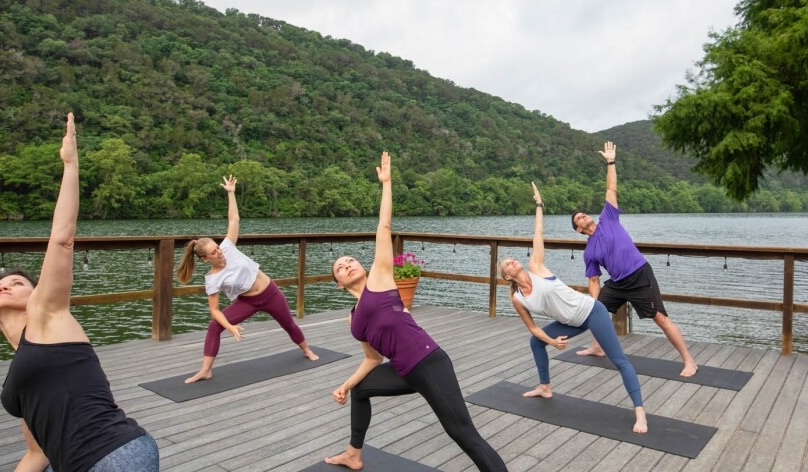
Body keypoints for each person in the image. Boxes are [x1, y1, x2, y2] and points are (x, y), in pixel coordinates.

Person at [0, 113, 159, 471]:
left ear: (38, 295)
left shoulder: (47, 316)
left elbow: (62, 238)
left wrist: (70, 165)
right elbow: (37, 454)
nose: (5, 285)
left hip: (114, 455)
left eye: (18, 282)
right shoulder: (17, 376)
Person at [323, 152, 507, 472]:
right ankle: (354, 453)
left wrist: (387, 184)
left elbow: (384, 225)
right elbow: (372, 359)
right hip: (404, 371)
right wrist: (346, 384)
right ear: (338, 283)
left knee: (462, 433)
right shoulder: (353, 319)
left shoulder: (379, 277)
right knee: (362, 390)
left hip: (429, 362)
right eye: (340, 266)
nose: (347, 264)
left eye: (350, 260)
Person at [499, 182, 649, 433]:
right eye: (506, 264)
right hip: (570, 322)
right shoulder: (518, 299)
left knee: (619, 360)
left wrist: (538, 204)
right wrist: (552, 341)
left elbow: (538, 232)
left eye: (512, 259)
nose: (511, 261)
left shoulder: (536, 267)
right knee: (536, 343)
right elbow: (534, 330)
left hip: (591, 312)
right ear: (506, 276)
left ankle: (640, 412)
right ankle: (545, 387)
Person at [571, 141, 699, 377]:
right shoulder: (589, 251)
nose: (583, 216)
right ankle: (598, 347)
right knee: (595, 312)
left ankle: (689, 361)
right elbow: (594, 280)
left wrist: (610, 162)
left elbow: (611, 189)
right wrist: (594, 303)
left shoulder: (608, 218)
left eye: (583, 213)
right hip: (618, 283)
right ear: (578, 229)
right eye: (579, 217)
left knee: (660, 318)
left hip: (639, 275)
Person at [176, 174, 317, 384]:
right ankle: (205, 369)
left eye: (217, 248)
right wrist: (230, 326)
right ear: (205, 259)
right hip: (247, 301)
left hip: (270, 293)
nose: (219, 253)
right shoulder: (212, 279)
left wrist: (231, 194)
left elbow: (234, 220)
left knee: (288, 323)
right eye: (214, 253)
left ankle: (306, 349)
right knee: (214, 326)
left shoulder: (228, 247)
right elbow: (214, 310)